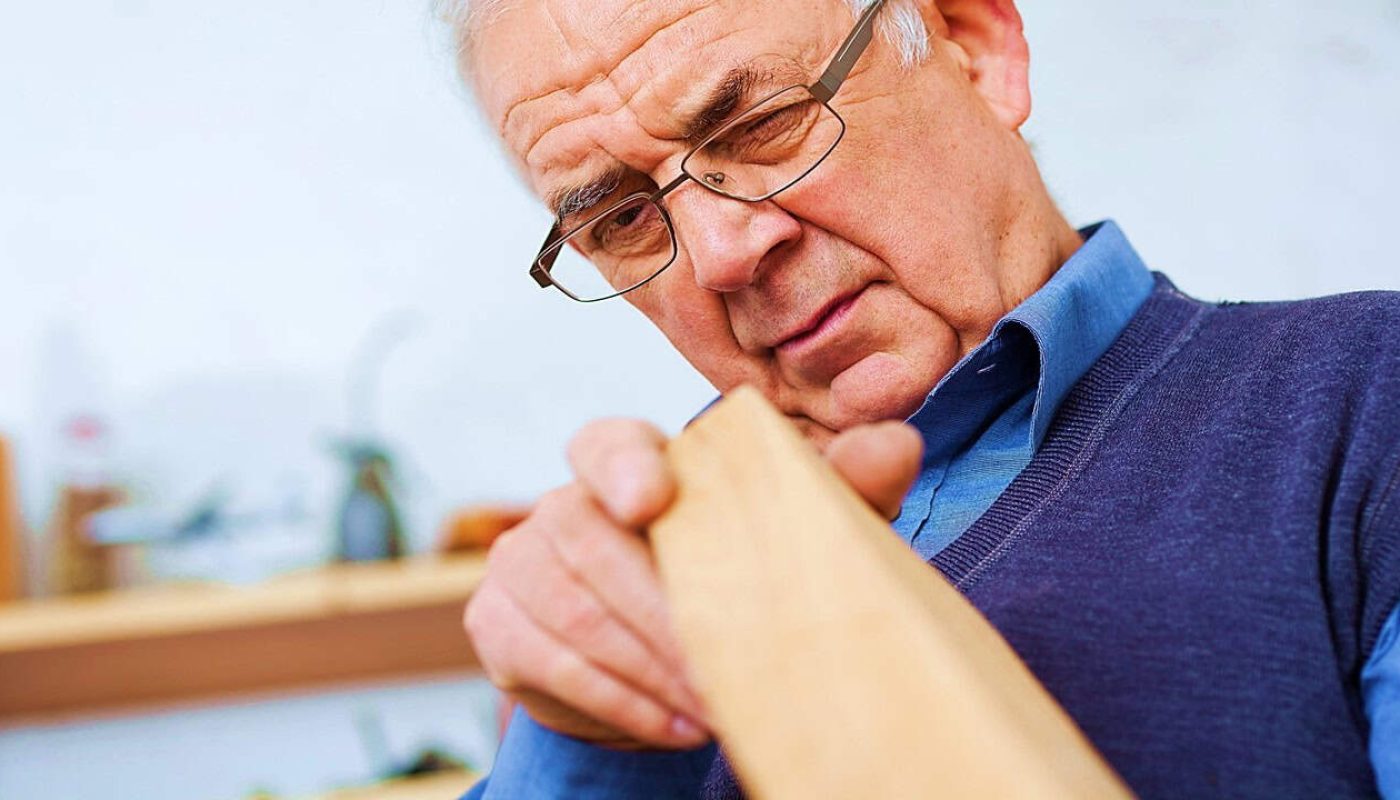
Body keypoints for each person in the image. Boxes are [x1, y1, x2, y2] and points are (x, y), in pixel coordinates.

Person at [449, 0, 1400, 796]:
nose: (721, 254)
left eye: (761, 124)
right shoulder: (611, 596)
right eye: (621, 218)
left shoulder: (1366, 397)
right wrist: (586, 739)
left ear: (975, 49)